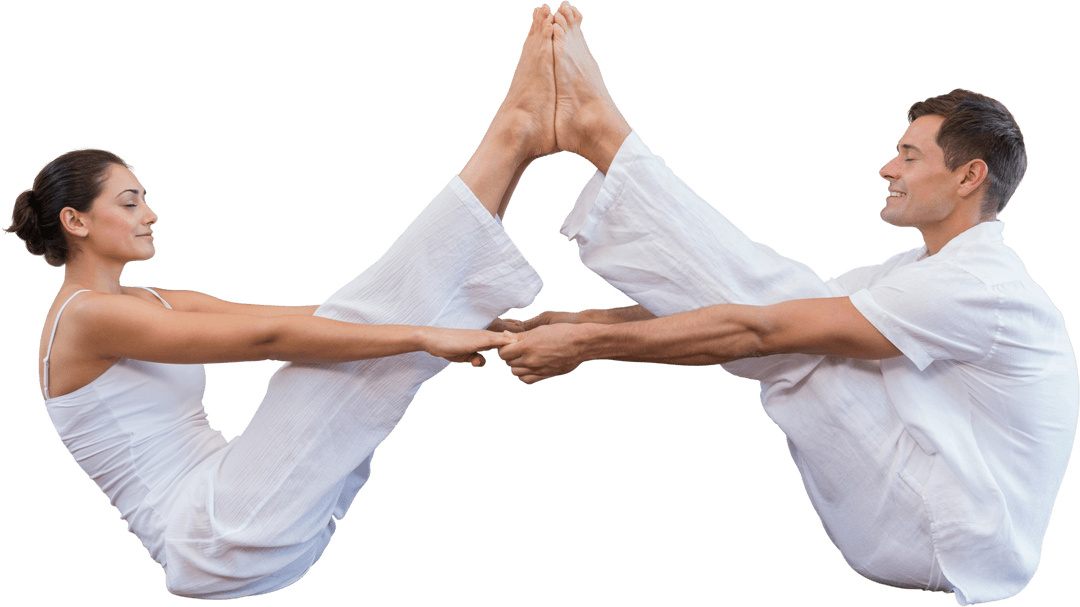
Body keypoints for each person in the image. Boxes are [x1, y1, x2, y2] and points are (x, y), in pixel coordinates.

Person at [497, 3, 1078, 605]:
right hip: (928, 508)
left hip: (945, 536)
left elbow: (763, 327)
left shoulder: (979, 287)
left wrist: (587, 346)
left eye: (909, 156)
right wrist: (580, 320)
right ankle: (604, 139)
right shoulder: (919, 272)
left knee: (794, 336)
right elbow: (764, 308)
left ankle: (603, 135)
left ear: (968, 177)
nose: (886, 168)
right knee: (800, 307)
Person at [2, 6, 561, 599]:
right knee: (325, 354)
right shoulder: (88, 318)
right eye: (131, 202)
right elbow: (267, 343)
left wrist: (439, 320)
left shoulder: (146, 301)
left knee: (349, 324)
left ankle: (526, 138)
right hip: (214, 535)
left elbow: (294, 317)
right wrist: (425, 335)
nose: (151, 215)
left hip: (247, 515)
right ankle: (518, 128)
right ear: (75, 220)